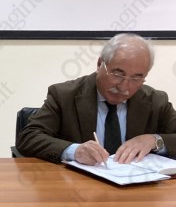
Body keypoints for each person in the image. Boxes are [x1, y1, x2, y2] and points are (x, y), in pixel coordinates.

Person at [16, 33, 176, 164]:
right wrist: (74, 151)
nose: (124, 87)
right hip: (77, 187)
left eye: (136, 78)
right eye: (118, 74)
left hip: (137, 187)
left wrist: (154, 140)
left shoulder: (156, 101)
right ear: (100, 64)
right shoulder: (64, 95)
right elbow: (29, 137)